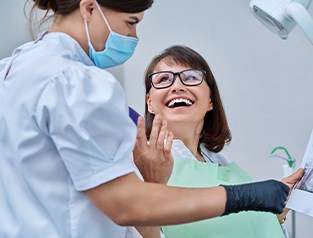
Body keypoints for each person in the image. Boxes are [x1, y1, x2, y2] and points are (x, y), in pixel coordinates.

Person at [0, 1, 295, 237]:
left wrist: (272, 205)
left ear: (210, 99)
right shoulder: (78, 83)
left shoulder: (13, 68)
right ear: (89, 8)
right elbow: (128, 204)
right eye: (131, 22)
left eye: (191, 77)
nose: (133, 37)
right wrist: (247, 196)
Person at [134, 45, 304, 238]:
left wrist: (275, 211)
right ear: (150, 102)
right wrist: (151, 190)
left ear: (210, 101)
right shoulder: (141, 165)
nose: (177, 86)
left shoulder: (219, 162)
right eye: (164, 79)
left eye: (191, 77)